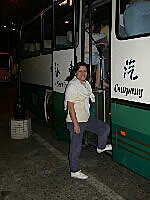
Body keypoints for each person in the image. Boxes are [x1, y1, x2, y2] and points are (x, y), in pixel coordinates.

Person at [64, 62, 112, 180]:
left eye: (85, 71)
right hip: (75, 121)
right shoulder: (73, 86)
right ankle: (74, 171)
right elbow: (70, 106)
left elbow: (88, 96)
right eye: (80, 71)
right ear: (75, 72)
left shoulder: (85, 84)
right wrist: (75, 124)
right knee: (76, 147)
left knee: (104, 128)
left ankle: (101, 147)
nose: (83, 73)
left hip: (86, 118)